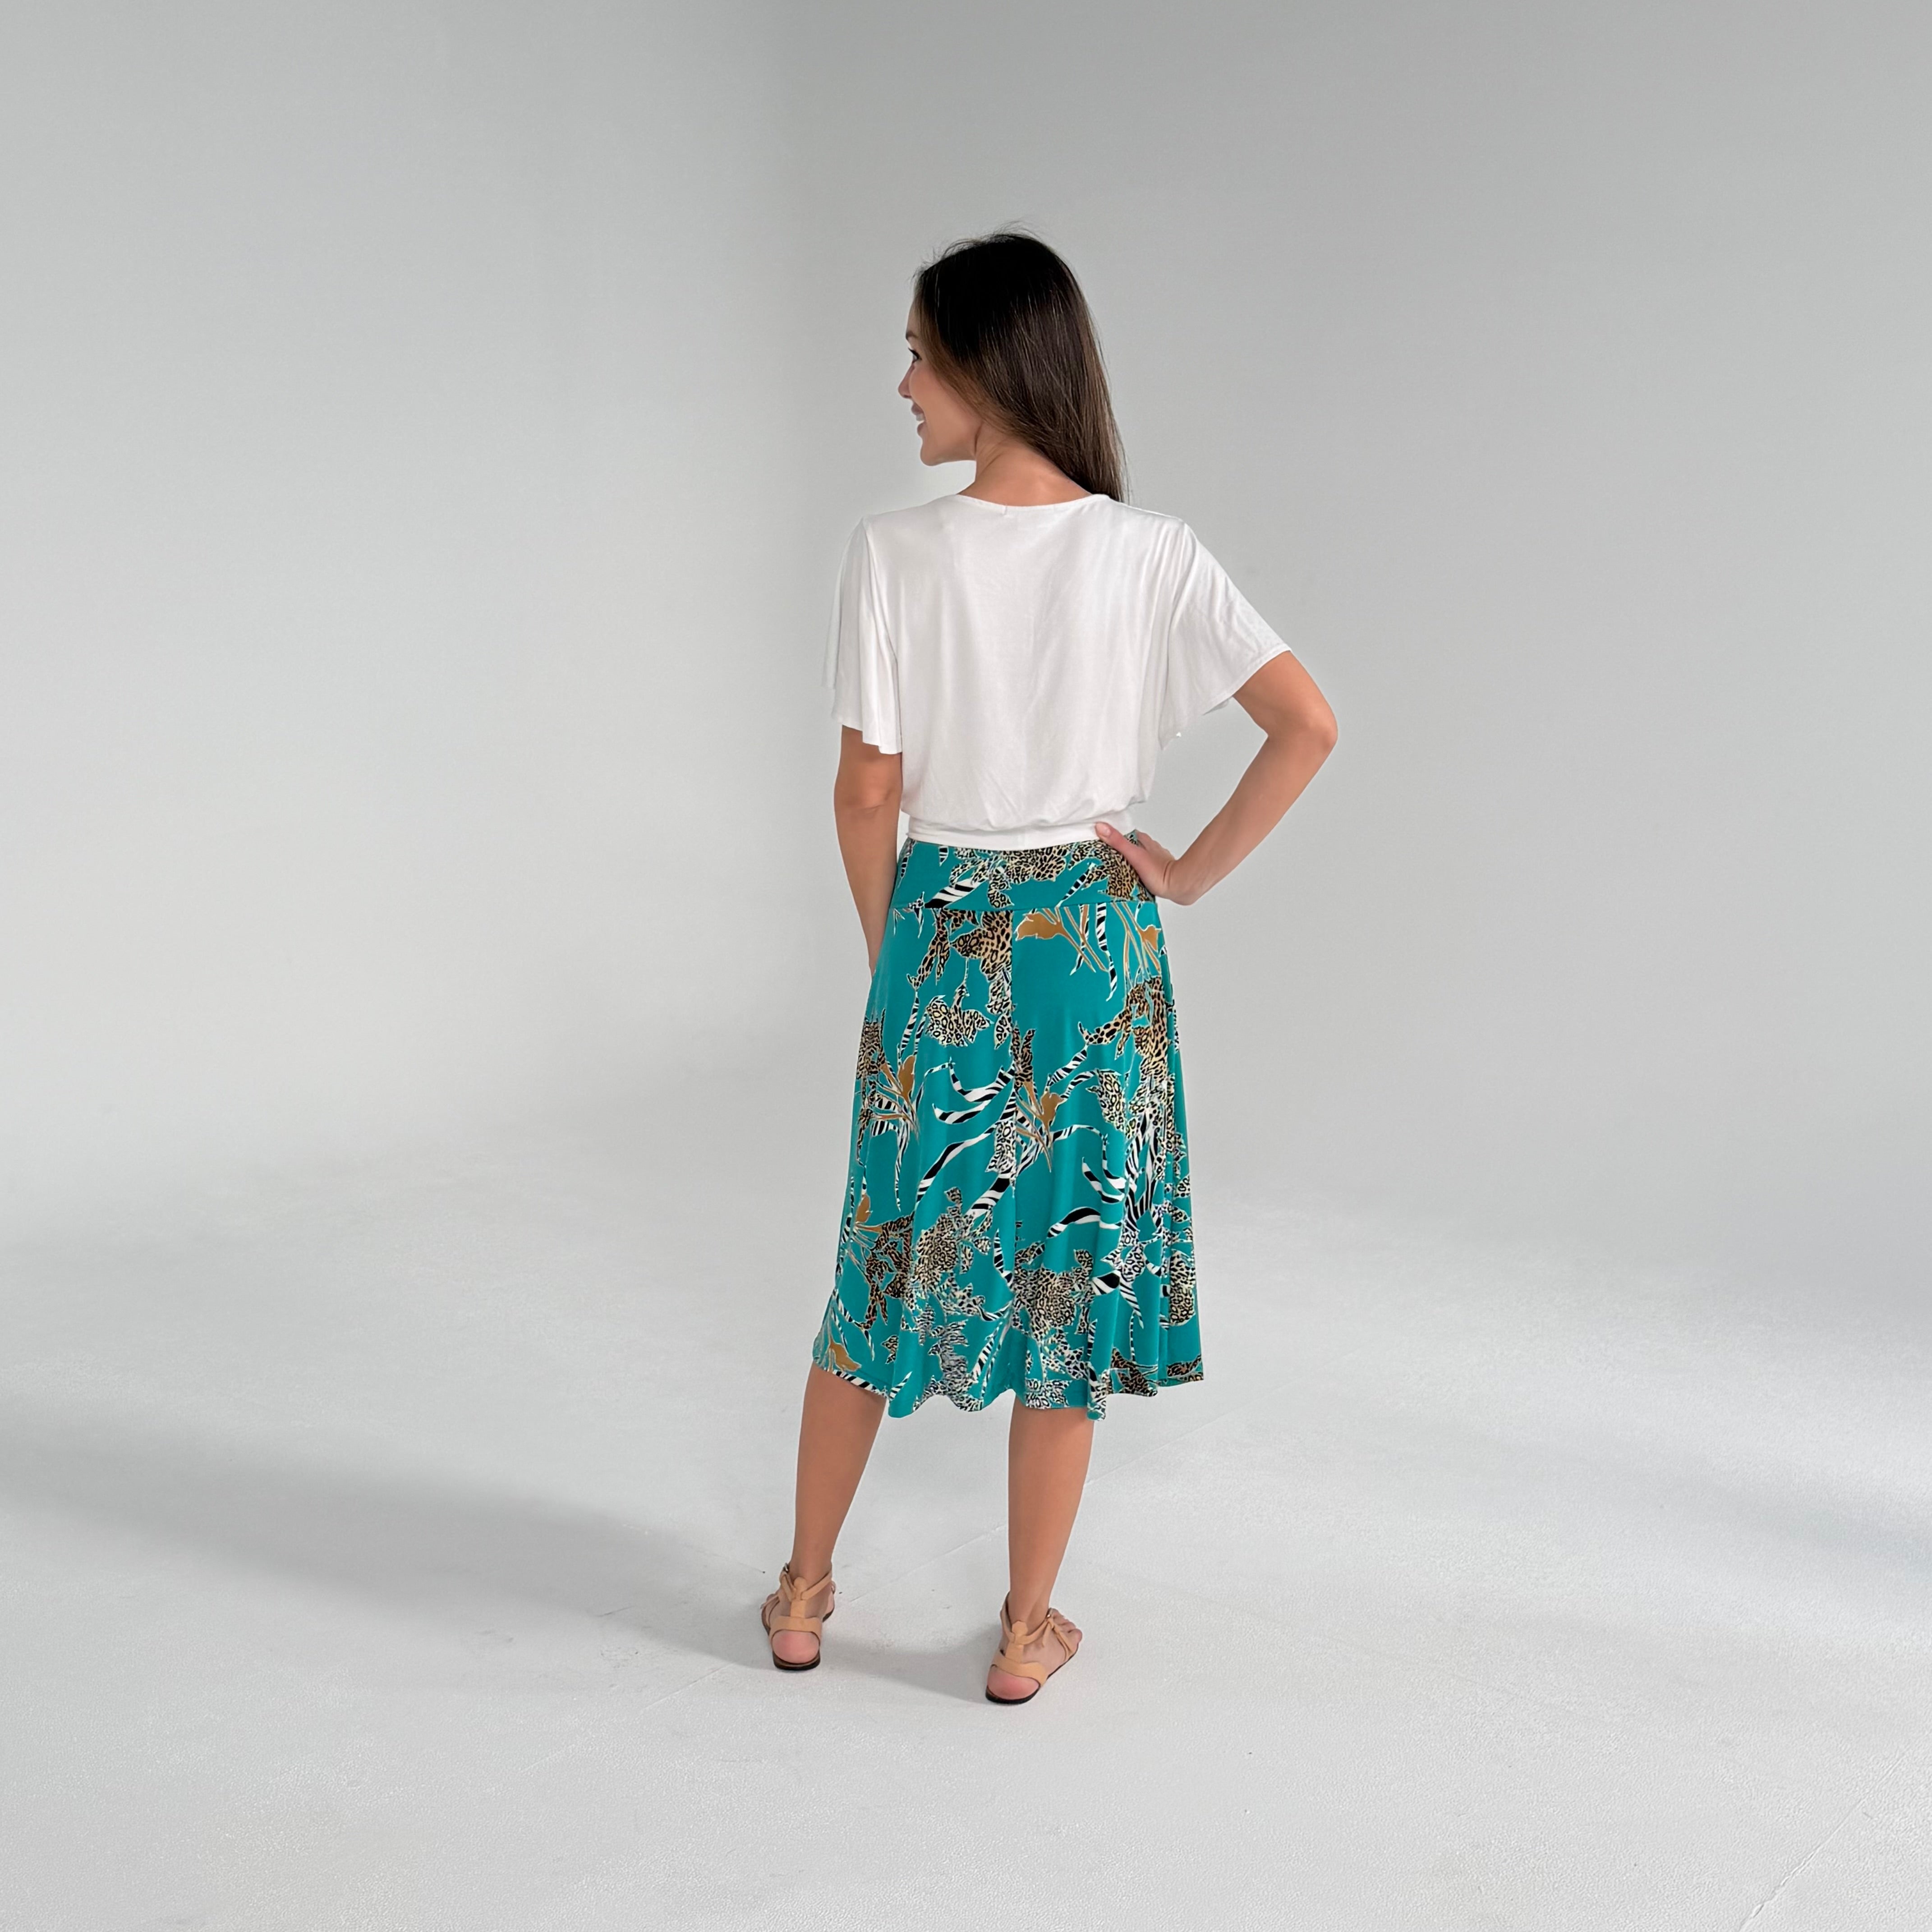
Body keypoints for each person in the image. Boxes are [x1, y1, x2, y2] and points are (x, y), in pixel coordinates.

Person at [761, 231, 1339, 1705]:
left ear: (983, 363)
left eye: (917, 354)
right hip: (1092, 938)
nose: (902, 384)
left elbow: (864, 792)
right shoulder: (1151, 554)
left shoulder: (893, 553)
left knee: (881, 1259)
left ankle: (804, 1595)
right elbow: (1307, 724)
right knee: (1067, 1278)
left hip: (941, 926)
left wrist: (898, 959)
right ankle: (1025, 1632)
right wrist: (1182, 875)